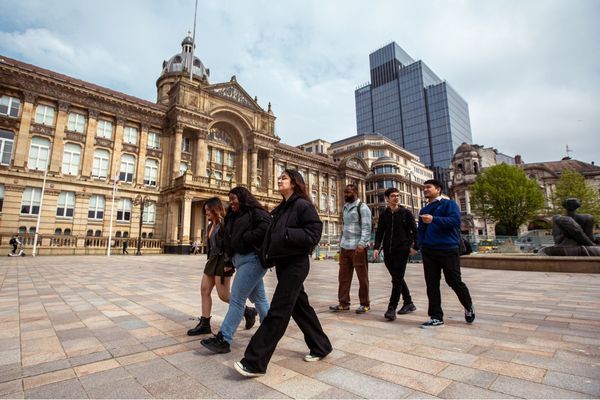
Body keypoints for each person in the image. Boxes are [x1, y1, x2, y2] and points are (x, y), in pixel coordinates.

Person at [234, 169, 332, 378]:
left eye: (284, 178)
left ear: (295, 183)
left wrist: (286, 234)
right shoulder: (280, 209)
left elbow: (314, 232)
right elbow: (270, 236)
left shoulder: (302, 205)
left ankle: (255, 361)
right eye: (278, 177)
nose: (279, 180)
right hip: (283, 264)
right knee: (300, 307)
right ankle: (321, 345)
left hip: (296, 263)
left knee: (278, 311)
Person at [201, 187, 271, 353]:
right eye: (229, 199)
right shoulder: (232, 215)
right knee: (259, 298)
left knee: (237, 299)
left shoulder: (255, 212)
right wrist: (229, 261)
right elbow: (226, 238)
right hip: (239, 261)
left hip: (253, 260)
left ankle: (224, 339)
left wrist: (245, 239)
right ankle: (270, 329)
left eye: (234, 198)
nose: (231, 202)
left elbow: (267, 227)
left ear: (243, 197)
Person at [418, 179, 475, 328]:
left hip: (448, 248)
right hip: (429, 251)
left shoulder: (449, 204)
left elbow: (455, 222)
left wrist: (434, 219)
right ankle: (436, 316)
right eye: (424, 188)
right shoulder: (424, 210)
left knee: (454, 281)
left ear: (438, 189)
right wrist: (421, 245)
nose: (425, 190)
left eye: (428, 187)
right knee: (431, 284)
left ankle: (468, 305)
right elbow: (421, 230)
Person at [187, 198, 232, 336]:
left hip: (223, 261)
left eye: (208, 209)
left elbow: (229, 245)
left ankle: (247, 311)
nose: (206, 212)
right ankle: (205, 323)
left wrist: (228, 263)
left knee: (223, 296)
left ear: (215, 209)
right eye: (205, 210)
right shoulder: (209, 226)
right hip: (212, 260)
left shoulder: (225, 224)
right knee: (204, 290)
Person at [373, 187, 418, 321]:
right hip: (388, 251)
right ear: (387, 198)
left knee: (396, 279)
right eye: (393, 196)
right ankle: (409, 302)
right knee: (397, 277)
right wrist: (376, 247)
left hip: (402, 250)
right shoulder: (384, 214)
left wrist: (416, 246)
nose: (396, 198)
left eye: (398, 195)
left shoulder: (406, 213)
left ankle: (391, 308)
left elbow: (415, 231)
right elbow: (380, 232)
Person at [329, 183, 372, 314]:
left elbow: (366, 227)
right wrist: (341, 245)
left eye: (348, 192)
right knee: (343, 277)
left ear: (355, 192)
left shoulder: (362, 208)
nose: (345, 195)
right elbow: (345, 227)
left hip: (357, 247)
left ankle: (365, 304)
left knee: (362, 277)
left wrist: (362, 244)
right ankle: (343, 303)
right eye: (345, 192)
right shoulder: (346, 207)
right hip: (345, 247)